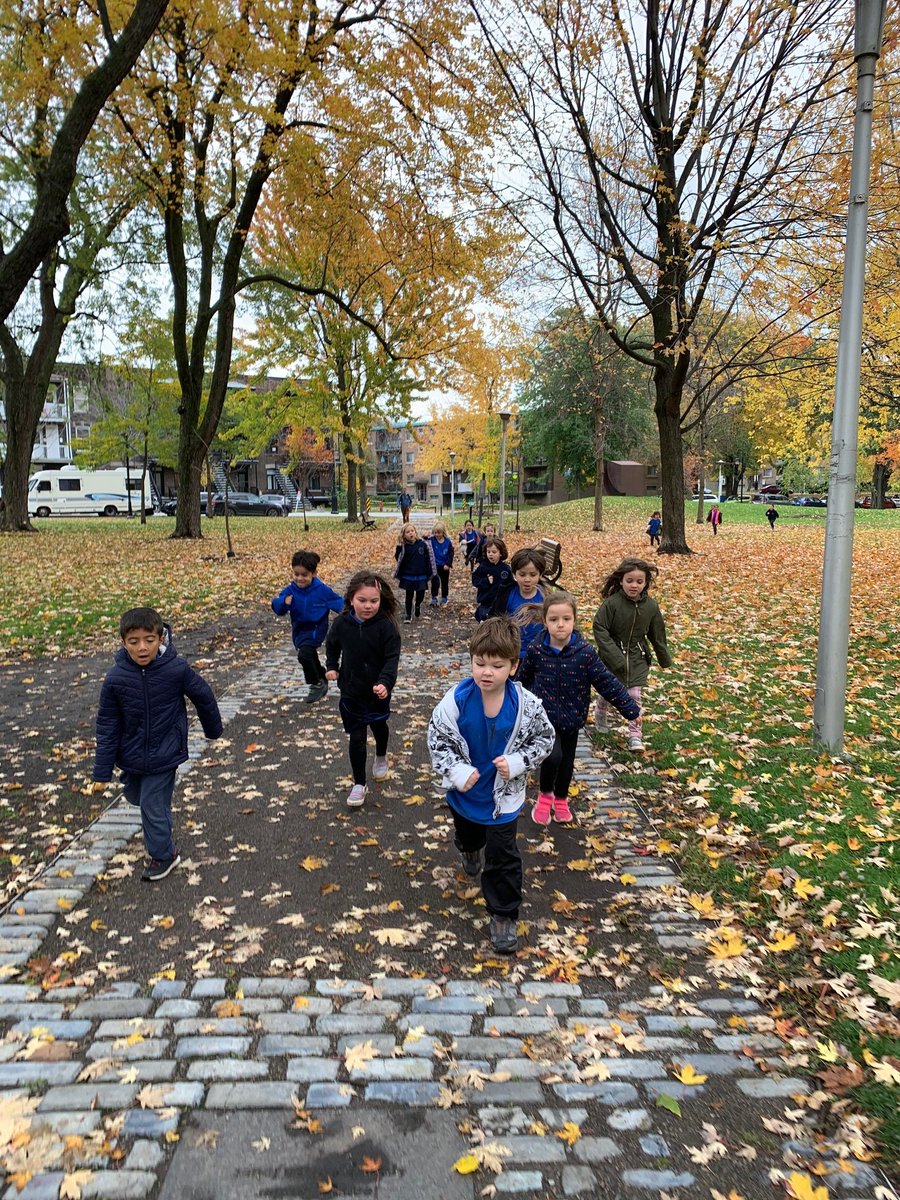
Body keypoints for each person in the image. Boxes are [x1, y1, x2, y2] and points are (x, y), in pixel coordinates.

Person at [427, 617, 555, 954]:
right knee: (471, 836)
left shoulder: (526, 706)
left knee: (502, 855)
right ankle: (469, 848)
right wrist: (456, 771)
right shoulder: (456, 700)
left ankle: (503, 913)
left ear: (513, 666)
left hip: (504, 799)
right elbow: (437, 739)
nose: (487, 672)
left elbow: (545, 739)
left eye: (497, 666)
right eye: (479, 663)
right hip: (466, 794)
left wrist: (518, 763)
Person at [92, 607, 222, 881]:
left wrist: (213, 729)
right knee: (137, 796)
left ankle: (164, 855)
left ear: (161, 639)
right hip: (132, 754)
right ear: (123, 643)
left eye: (149, 640)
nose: (142, 647)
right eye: (134, 641)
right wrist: (102, 771)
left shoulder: (175, 669)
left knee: (152, 805)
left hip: (165, 751)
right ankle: (159, 822)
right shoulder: (116, 678)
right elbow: (107, 724)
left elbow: (203, 695)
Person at [520, 593, 641, 825]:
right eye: (554, 619)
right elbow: (522, 680)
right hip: (543, 719)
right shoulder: (537, 650)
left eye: (566, 619)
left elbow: (605, 681)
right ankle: (545, 796)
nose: (560, 624)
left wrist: (630, 709)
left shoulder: (584, 653)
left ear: (574, 620)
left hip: (572, 718)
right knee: (552, 757)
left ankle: (561, 799)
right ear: (545, 621)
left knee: (566, 763)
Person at [325, 571, 401, 807]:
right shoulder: (341, 624)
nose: (368, 606)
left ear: (380, 600)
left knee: (379, 726)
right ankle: (359, 783)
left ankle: (381, 756)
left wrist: (385, 683)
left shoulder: (386, 627)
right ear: (351, 599)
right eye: (362, 600)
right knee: (357, 737)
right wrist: (332, 666)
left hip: (377, 692)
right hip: (351, 691)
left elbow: (391, 659)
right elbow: (332, 645)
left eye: (374, 601)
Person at [592, 558, 671, 753]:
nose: (634, 585)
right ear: (621, 581)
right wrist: (615, 657)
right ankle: (600, 712)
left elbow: (657, 633)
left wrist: (664, 657)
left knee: (634, 696)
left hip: (637, 657)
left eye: (639, 581)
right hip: (611, 657)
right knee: (608, 692)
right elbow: (600, 628)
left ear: (645, 583)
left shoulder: (651, 607)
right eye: (629, 581)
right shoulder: (612, 604)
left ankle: (635, 736)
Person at [271, 549, 343, 703]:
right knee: (307, 655)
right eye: (296, 574)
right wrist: (283, 602)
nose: (299, 578)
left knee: (305, 653)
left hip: (316, 627)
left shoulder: (322, 590)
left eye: (304, 575)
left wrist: (353, 614)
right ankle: (321, 675)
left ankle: (316, 684)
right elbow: (277, 606)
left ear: (314, 573)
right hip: (299, 629)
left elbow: (339, 604)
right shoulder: (290, 590)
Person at [499, 547, 545, 658]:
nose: (527, 580)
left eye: (533, 575)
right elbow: (497, 621)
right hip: (513, 653)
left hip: (539, 653)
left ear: (540, 575)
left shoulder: (545, 597)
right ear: (514, 574)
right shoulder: (507, 595)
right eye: (522, 575)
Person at [394, 522, 437, 622]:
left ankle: (417, 605)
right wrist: (399, 547)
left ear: (415, 532)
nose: (410, 533)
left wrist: (429, 571)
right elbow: (398, 558)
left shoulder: (422, 544)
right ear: (404, 535)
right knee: (409, 595)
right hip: (408, 575)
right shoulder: (403, 547)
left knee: (420, 594)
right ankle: (408, 615)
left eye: (412, 531)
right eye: (407, 532)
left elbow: (428, 557)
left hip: (421, 575)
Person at [471, 536, 512, 622]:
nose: (490, 554)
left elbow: (510, 584)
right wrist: (486, 581)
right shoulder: (483, 566)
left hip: (500, 604)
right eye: (488, 552)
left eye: (494, 552)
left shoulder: (505, 569)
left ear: (501, 553)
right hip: (486, 602)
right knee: (485, 622)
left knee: (499, 623)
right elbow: (475, 579)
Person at [428, 521, 455, 606]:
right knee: (435, 581)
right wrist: (425, 536)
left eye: (439, 533)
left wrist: (448, 564)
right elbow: (424, 542)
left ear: (443, 532)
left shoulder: (447, 541)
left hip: (444, 566)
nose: (437, 535)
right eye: (435, 533)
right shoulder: (432, 540)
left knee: (444, 582)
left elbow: (450, 553)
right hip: (435, 565)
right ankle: (434, 597)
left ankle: (444, 597)